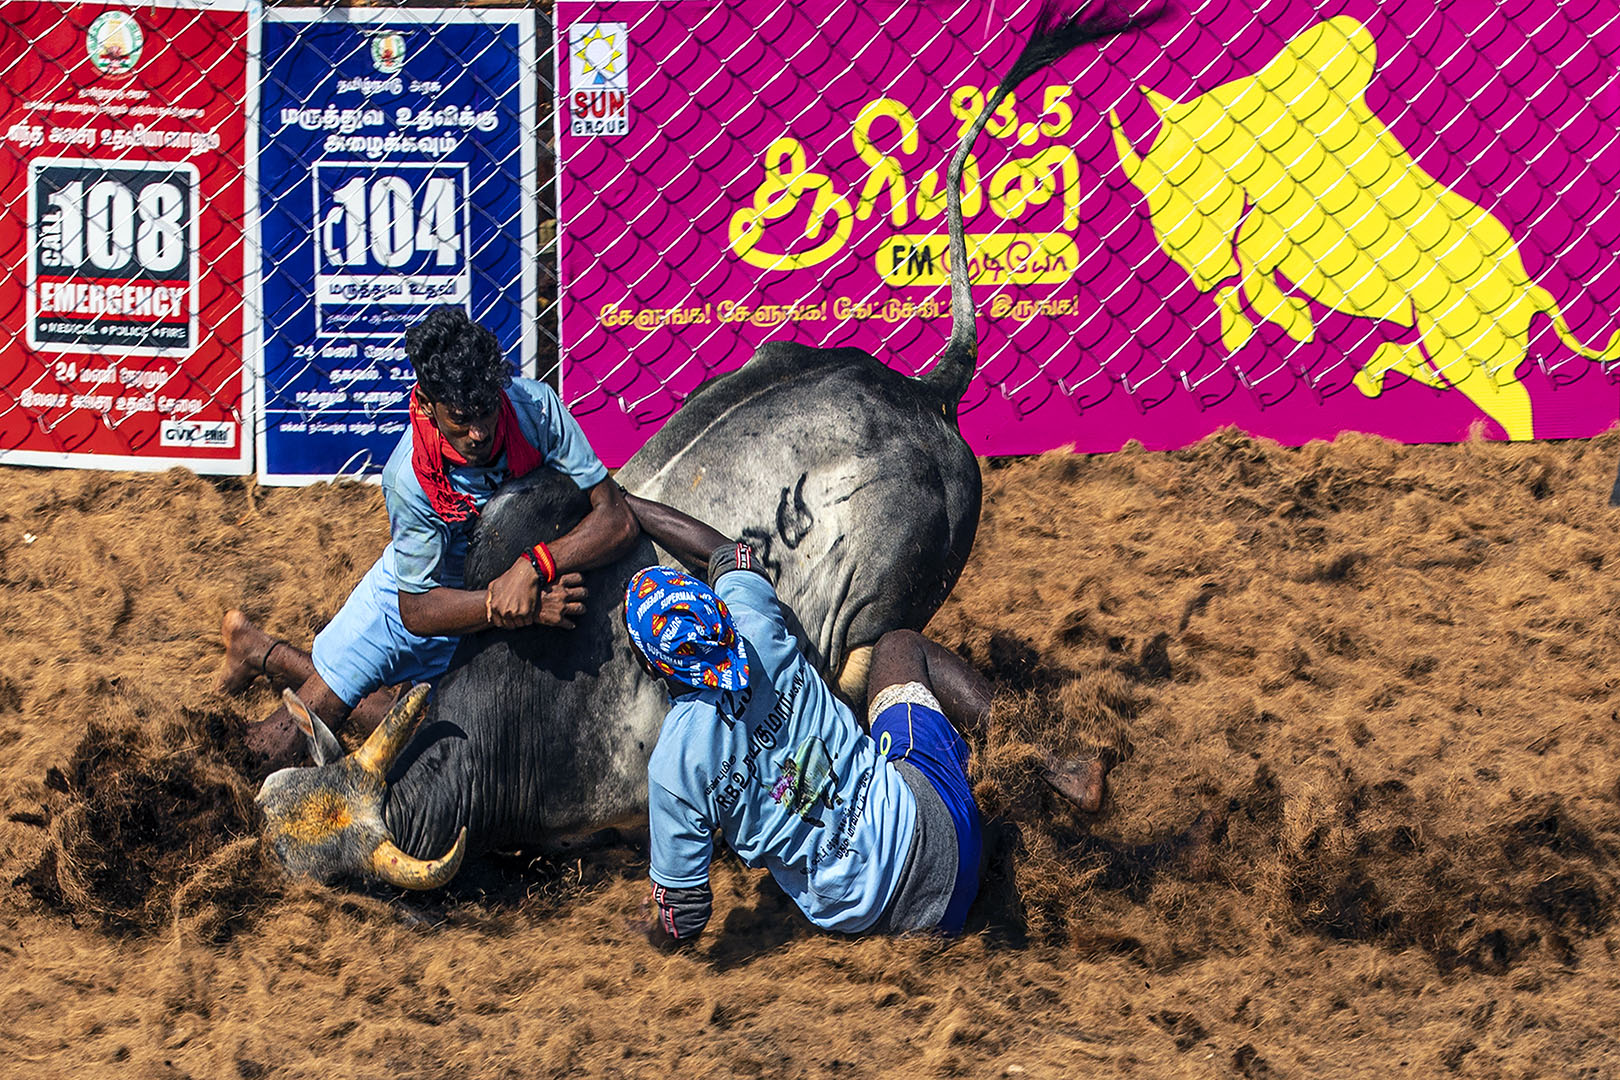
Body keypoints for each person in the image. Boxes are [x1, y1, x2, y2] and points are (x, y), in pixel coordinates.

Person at [620, 493, 1109, 944]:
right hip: (946, 837)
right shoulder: (753, 626)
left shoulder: (674, 768)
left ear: (649, 663)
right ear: (717, 613)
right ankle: (1059, 770)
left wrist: (652, 932)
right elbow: (731, 554)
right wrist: (630, 504)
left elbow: (685, 916)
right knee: (899, 648)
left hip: (888, 925)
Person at [217, 307, 638, 773]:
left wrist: (534, 567)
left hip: (512, 589)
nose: (479, 432)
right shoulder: (409, 478)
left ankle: (262, 651)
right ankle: (266, 653)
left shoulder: (536, 409)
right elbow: (417, 611)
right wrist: (519, 605)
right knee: (268, 754)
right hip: (424, 599)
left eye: (487, 410)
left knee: (442, 746)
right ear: (428, 405)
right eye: (461, 418)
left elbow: (616, 520)